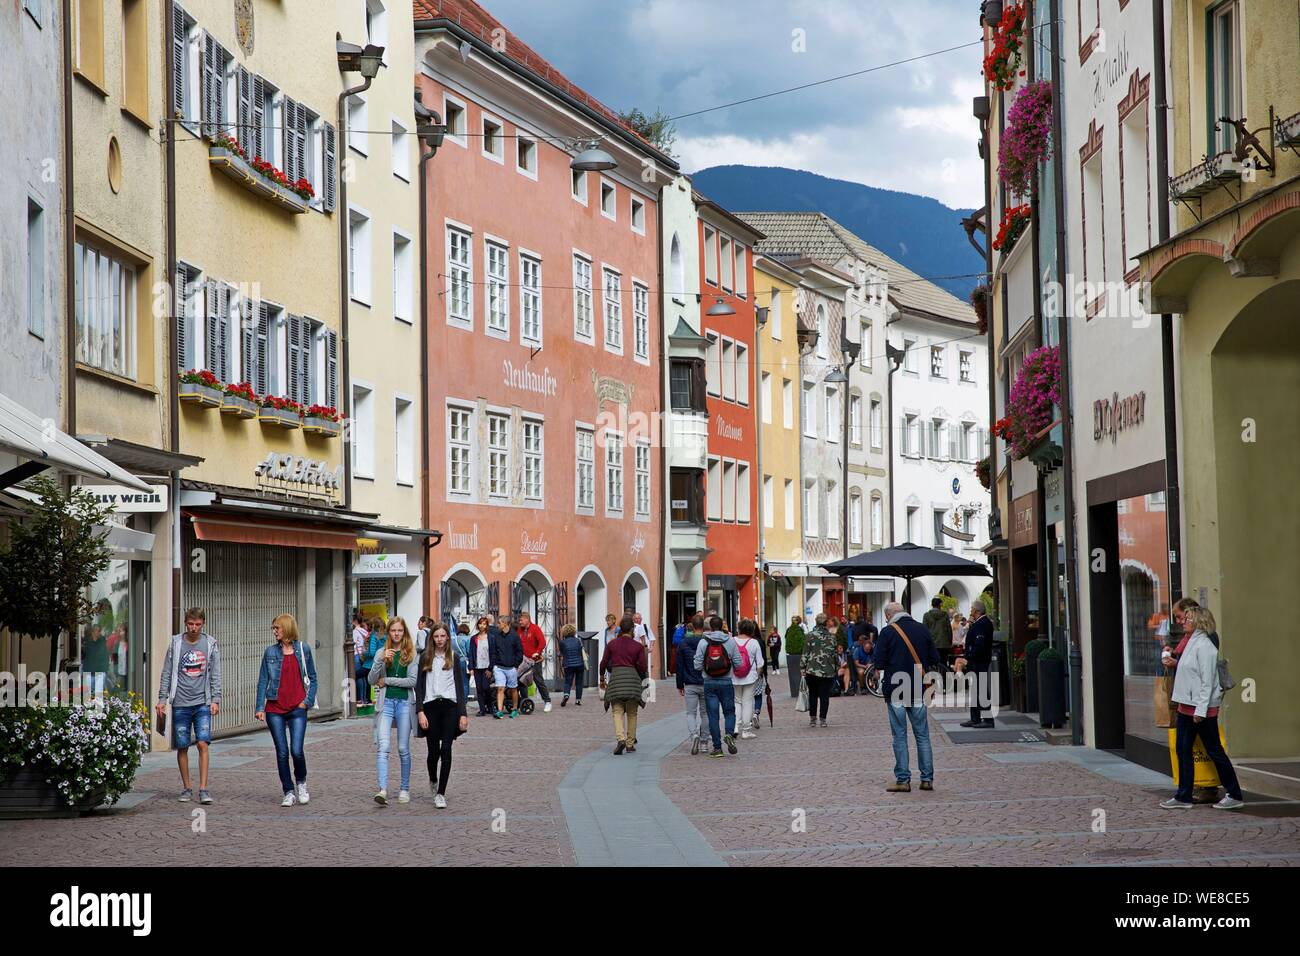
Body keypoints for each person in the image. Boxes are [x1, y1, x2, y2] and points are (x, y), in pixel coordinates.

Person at [1162, 605, 1243, 810]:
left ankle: (1234, 793)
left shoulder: (1205, 646)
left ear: (1198, 622)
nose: (1183, 622)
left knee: (1215, 751)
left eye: (1187, 619)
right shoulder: (1190, 643)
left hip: (1201, 710)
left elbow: (1207, 681)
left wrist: (1200, 711)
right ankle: (1183, 796)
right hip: (1185, 706)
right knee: (1183, 750)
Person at [156, 608, 222, 804]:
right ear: (185, 623)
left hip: (202, 701)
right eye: (191, 624)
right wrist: (162, 699)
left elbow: (215, 672)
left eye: (198, 624)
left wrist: (216, 699)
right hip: (180, 703)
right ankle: (187, 787)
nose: (194, 628)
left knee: (203, 743)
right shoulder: (176, 643)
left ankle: (203, 788)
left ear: (203, 623)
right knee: (183, 746)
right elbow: (167, 672)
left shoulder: (210, 644)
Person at [874, 601, 939, 792]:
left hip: (896, 689)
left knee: (899, 736)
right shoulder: (922, 629)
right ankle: (927, 779)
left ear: (888, 616)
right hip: (919, 688)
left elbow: (879, 662)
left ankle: (903, 780)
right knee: (923, 735)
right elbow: (935, 658)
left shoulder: (887, 632)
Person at [254, 614, 317, 806]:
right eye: (273, 628)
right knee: (281, 751)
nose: (274, 631)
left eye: (277, 628)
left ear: (287, 628)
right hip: (275, 708)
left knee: (296, 750)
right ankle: (288, 791)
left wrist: (306, 702)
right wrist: (259, 707)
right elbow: (263, 680)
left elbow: (313, 678)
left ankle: (301, 782)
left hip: (297, 707)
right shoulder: (270, 652)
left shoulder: (303, 649)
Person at [415, 623, 468, 808]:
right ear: (432, 639)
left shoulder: (454, 657)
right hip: (430, 707)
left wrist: (463, 714)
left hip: (450, 707)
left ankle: (441, 793)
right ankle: (432, 779)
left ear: (447, 638)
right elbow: (419, 687)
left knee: (446, 749)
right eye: (436, 636)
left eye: (442, 636)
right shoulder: (424, 658)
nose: (439, 640)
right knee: (433, 752)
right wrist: (420, 711)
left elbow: (460, 688)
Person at [369, 617, 418, 805]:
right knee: (383, 747)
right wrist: (380, 661)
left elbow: (412, 682)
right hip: (386, 704)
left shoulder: (412, 654)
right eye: (393, 631)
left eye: (399, 630)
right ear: (388, 633)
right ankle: (382, 789)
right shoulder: (382, 652)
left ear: (404, 632)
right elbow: (372, 679)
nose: (396, 634)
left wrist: (387, 680)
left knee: (403, 748)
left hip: (405, 703)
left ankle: (404, 788)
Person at [693, 615, 743, 757]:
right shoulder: (730, 641)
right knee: (729, 712)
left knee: (712, 715)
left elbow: (697, 665)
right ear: (722, 626)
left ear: (709, 627)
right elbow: (738, 663)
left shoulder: (703, 642)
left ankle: (717, 748)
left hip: (709, 682)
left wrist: (705, 667)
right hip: (727, 682)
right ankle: (728, 734)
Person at [599, 615, 648, 755]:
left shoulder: (612, 644)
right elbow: (643, 667)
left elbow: (603, 662)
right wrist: (643, 684)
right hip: (632, 680)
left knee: (617, 711)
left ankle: (620, 739)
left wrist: (602, 677)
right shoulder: (637, 646)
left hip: (616, 679)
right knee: (632, 713)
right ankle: (630, 743)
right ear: (632, 629)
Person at [675, 613, 708, 754]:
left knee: (690, 713)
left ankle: (694, 734)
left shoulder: (683, 643)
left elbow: (679, 665)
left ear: (692, 626)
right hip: (706, 681)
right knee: (706, 713)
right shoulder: (708, 642)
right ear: (703, 626)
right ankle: (705, 743)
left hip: (689, 682)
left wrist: (679, 684)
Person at [958, 605, 995, 727]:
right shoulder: (980, 623)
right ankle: (975, 718)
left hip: (979, 661)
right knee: (975, 690)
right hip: (977, 660)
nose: (970, 611)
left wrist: (969, 656)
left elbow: (980, 644)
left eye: (972, 609)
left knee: (981, 689)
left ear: (977, 611)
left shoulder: (982, 623)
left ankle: (988, 720)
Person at [801, 614, 838, 727]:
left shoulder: (809, 636)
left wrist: (802, 668)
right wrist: (836, 667)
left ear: (816, 622)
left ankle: (812, 719)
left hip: (812, 670)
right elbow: (835, 655)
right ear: (826, 623)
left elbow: (805, 654)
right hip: (828, 670)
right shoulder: (832, 637)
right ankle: (823, 719)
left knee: (812, 694)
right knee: (824, 695)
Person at [731, 619, 764, 739]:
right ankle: (746, 731)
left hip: (734, 676)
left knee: (736, 702)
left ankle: (735, 726)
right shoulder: (754, 642)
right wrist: (758, 674)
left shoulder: (732, 640)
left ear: (739, 628)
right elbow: (760, 663)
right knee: (747, 702)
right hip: (750, 677)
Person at [516, 611, 553, 713]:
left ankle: (547, 701)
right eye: (519, 620)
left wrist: (537, 652)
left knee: (538, 680)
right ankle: (525, 702)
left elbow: (542, 642)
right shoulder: (520, 630)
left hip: (534, 660)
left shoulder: (535, 628)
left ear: (527, 619)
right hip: (523, 661)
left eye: (521, 620)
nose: (520, 622)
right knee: (522, 681)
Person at [489, 612, 524, 718]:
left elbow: (519, 652)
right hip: (499, 667)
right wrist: (494, 664)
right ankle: (500, 711)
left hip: (511, 667)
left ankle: (515, 709)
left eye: (499, 623)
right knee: (500, 688)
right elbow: (494, 651)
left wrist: (515, 664)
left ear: (505, 623)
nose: (498, 625)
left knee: (513, 689)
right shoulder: (496, 636)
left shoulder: (514, 636)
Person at [468, 616, 494, 717]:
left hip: (487, 667)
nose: (482, 625)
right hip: (477, 666)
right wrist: (471, 667)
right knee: (479, 689)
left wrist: (490, 668)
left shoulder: (491, 638)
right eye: (480, 623)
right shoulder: (474, 638)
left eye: (484, 624)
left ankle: (490, 707)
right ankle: (482, 709)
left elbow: (493, 654)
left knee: (486, 687)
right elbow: (471, 653)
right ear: (478, 625)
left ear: (487, 625)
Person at [558, 624, 587, 706]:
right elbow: (580, 650)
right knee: (579, 682)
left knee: (568, 681)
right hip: (579, 664)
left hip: (568, 664)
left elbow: (561, 653)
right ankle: (578, 700)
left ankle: (566, 695)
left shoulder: (562, 642)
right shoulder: (578, 640)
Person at [922, 597, 953, 665]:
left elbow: (924, 630)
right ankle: (943, 675)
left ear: (932, 605)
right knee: (943, 663)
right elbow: (949, 629)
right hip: (944, 644)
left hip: (932, 644)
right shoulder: (945, 615)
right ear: (940, 605)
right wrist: (950, 642)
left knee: (932, 663)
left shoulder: (926, 615)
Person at [351, 610, 370, 707]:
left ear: (354, 621)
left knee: (357, 676)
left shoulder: (355, 631)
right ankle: (364, 698)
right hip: (363, 655)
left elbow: (353, 643)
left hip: (356, 655)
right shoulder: (364, 631)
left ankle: (359, 699)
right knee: (363, 677)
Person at [784, 615, 805, 697]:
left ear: (798, 621)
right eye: (792, 620)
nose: (793, 622)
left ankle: (801, 690)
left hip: (798, 653)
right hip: (792, 654)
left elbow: (803, 639)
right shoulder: (789, 629)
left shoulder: (801, 628)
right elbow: (786, 638)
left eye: (795, 620)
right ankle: (796, 691)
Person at [633, 611, 657, 683]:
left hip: (644, 649)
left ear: (641, 619)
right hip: (634, 649)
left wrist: (651, 647)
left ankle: (645, 682)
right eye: (636, 618)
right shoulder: (633, 627)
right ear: (633, 620)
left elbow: (652, 638)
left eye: (639, 618)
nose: (638, 620)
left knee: (644, 666)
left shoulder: (645, 627)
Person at [453, 621, 472, 701]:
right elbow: (469, 652)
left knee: (456, 681)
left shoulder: (453, 639)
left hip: (454, 661)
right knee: (465, 682)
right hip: (464, 662)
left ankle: (457, 698)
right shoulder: (468, 639)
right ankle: (464, 700)